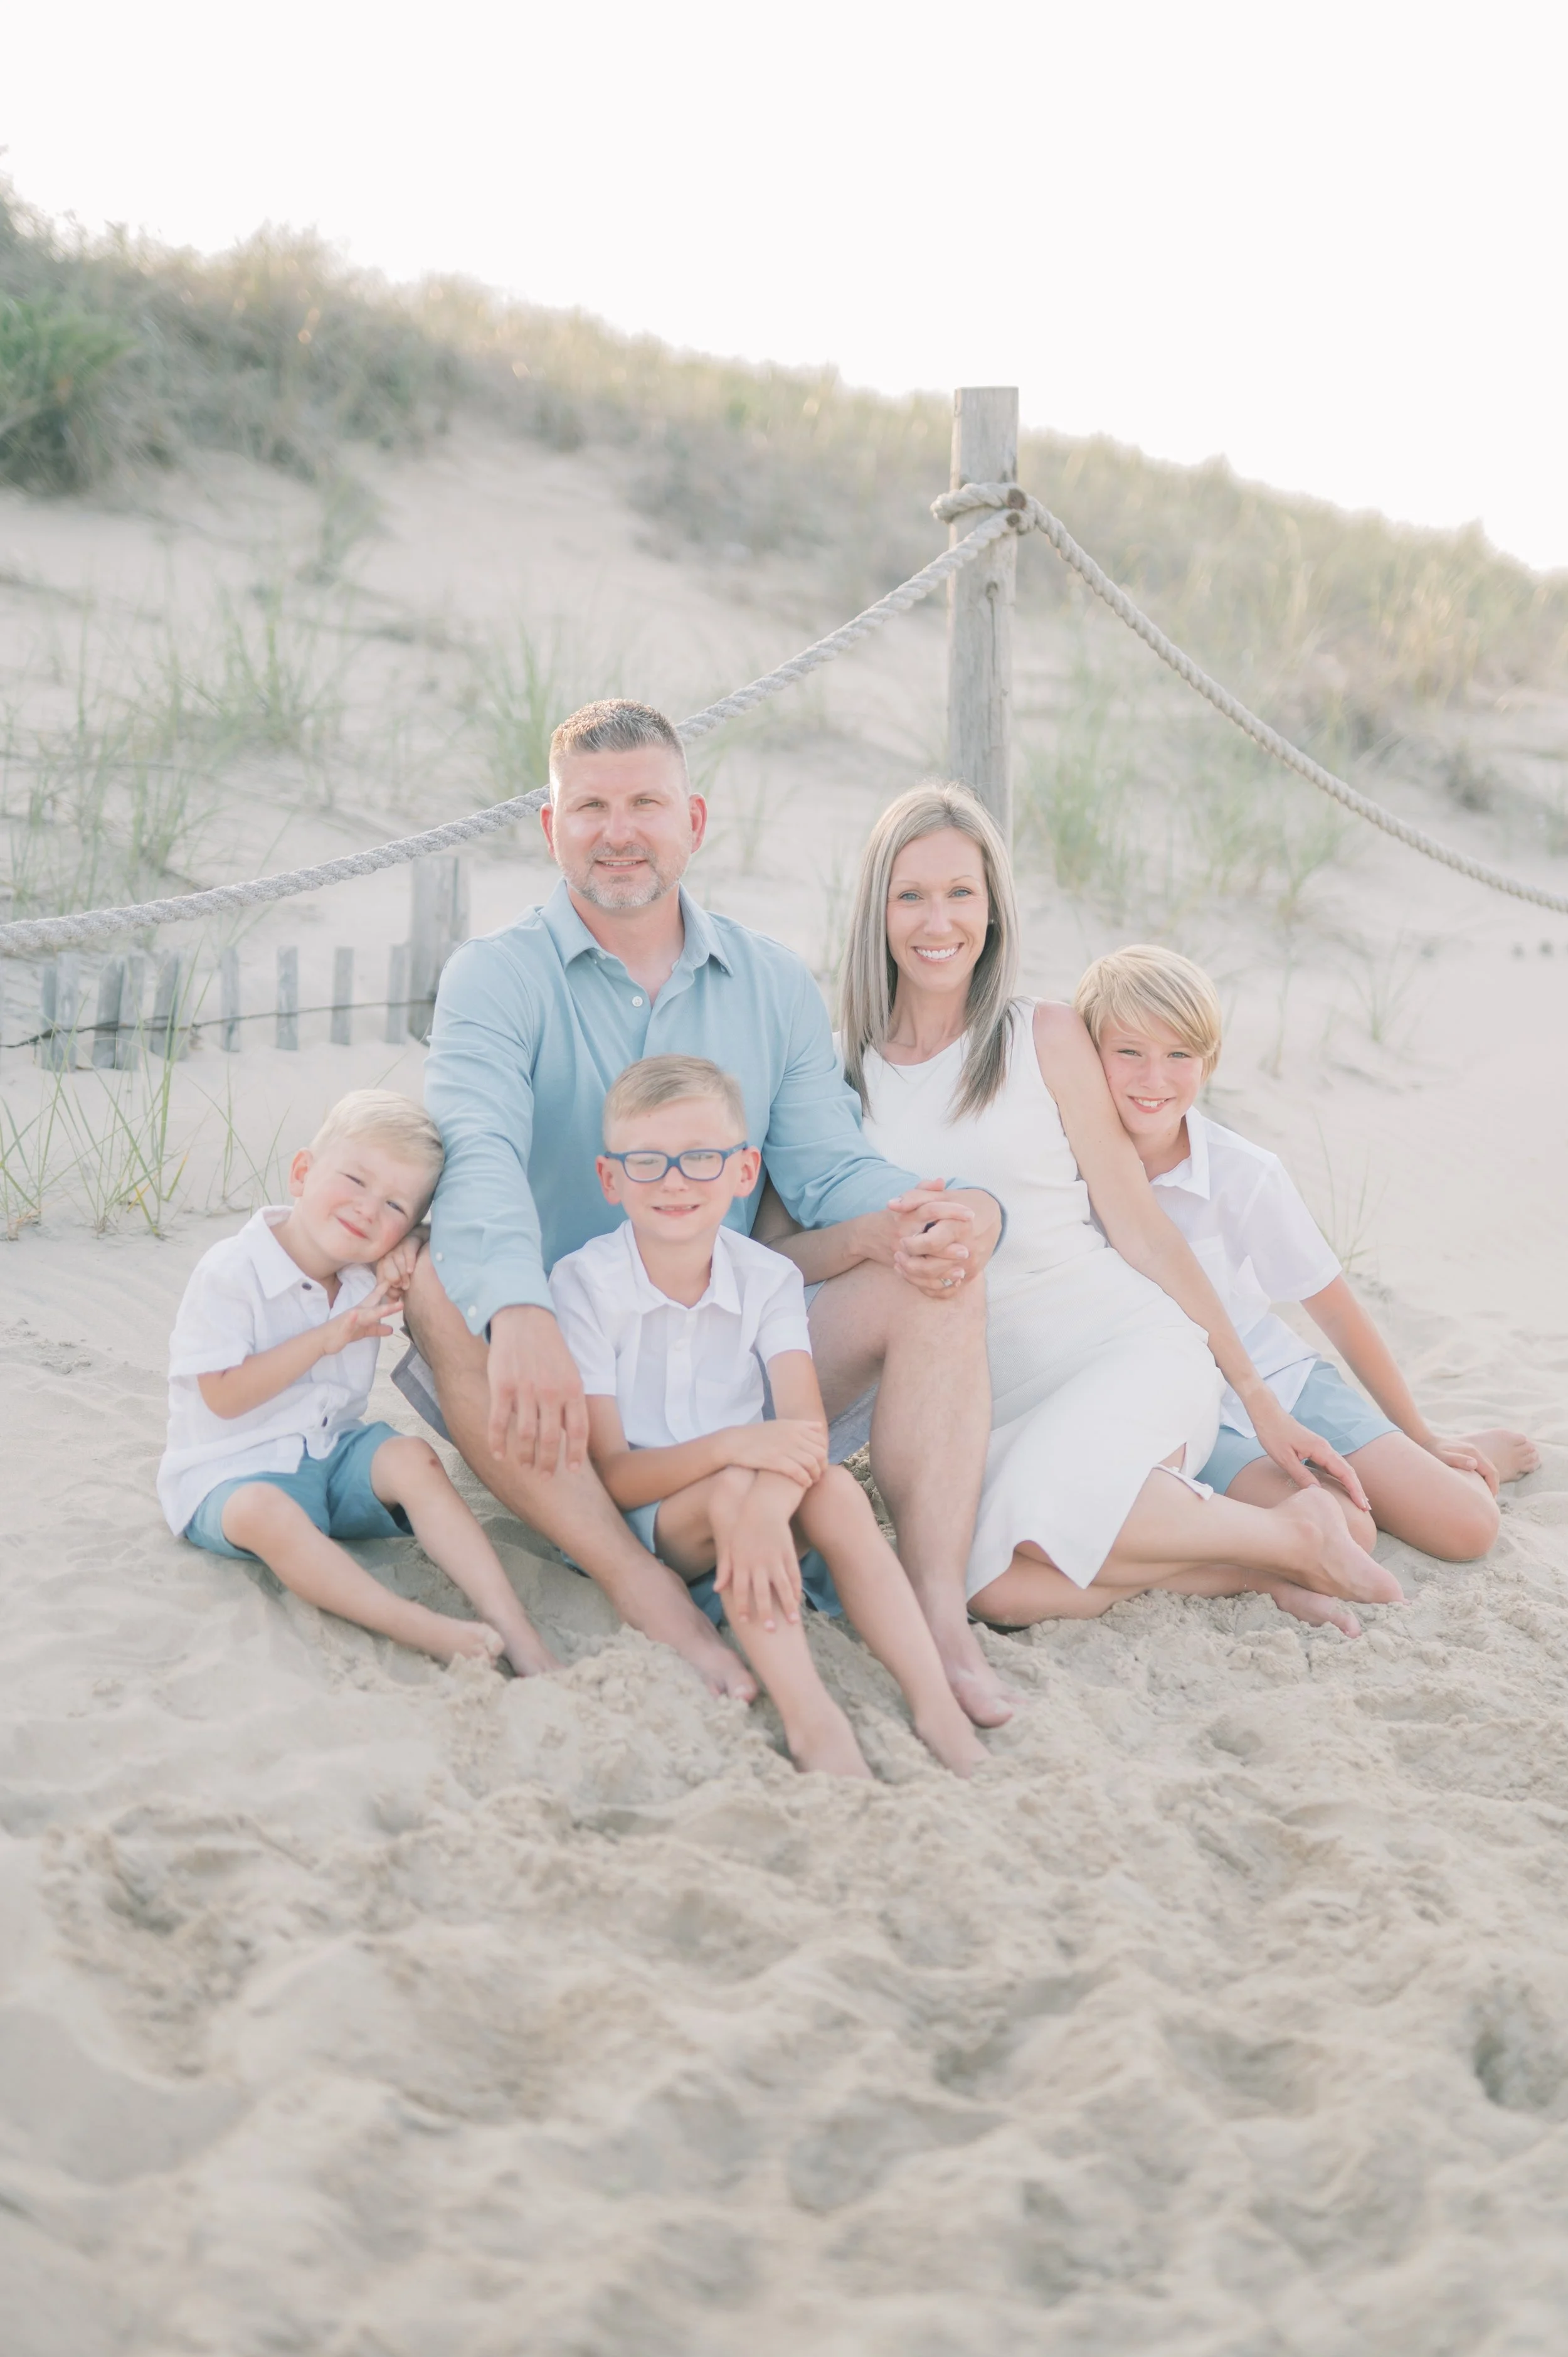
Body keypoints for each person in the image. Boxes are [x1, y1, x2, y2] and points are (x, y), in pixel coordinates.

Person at [400, 700, 1015, 1725]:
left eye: (645, 802)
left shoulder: (770, 980)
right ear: (552, 831)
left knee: (935, 1271)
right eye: (590, 807)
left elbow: (829, 1169)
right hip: (555, 1383)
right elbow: (477, 1153)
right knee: (433, 1272)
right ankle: (631, 1579)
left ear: (694, 820)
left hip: (729, 1359)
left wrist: (962, 1214)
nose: (619, 829)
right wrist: (521, 1310)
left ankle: (938, 1613)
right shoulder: (492, 978)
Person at [761, 782, 1406, 1636]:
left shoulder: (1044, 1035)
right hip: (977, 1405)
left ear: (993, 911)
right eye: (910, 895)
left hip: (1115, 1347)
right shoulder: (837, 1073)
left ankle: (1287, 1537)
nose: (937, 921)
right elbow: (779, 1258)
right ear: (875, 910)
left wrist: (1253, 1393)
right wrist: (872, 1240)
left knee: (1052, 1519)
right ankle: (1268, 1555)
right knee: (997, 1590)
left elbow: (1142, 1229)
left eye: (961, 893)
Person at [548, 1054, 987, 1778]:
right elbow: (615, 1479)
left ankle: (933, 1701)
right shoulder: (585, 1285)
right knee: (733, 1490)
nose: (675, 1180)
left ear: (744, 1171)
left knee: (840, 1490)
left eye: (700, 1158)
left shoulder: (768, 1276)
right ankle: (811, 1720)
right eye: (647, 1162)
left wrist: (761, 1508)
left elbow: (807, 1436)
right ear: (611, 1178)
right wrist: (739, 1456)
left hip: (754, 1495)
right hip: (651, 1524)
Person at [1074, 942, 1537, 1556]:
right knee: (1347, 1530)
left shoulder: (1242, 1173)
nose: (1153, 1078)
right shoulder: (1062, 1169)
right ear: (1087, 1057)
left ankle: (1448, 1463)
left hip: (1280, 1383)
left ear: (1207, 1063)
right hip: (1190, 1417)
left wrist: (1418, 1432)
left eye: (1177, 1054)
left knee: (1465, 1528)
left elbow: (1336, 1310)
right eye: (1127, 1052)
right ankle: (1366, 1482)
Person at [158, 1089, 557, 1676]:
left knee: (412, 1458)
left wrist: (415, 1242)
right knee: (268, 1513)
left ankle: (515, 1628)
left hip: (329, 1455)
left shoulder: (363, 1265)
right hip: (231, 1471)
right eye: (355, 1179)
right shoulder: (232, 1271)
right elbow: (220, 1397)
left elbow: (437, 1236)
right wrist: (328, 1337)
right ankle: (419, 1627)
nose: (368, 1210)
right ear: (302, 1172)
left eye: (395, 1205)